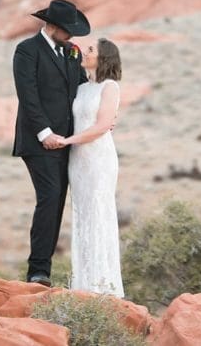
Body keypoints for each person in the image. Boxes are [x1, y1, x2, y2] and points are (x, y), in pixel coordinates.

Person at [12, 0, 90, 286]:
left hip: (68, 141)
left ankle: (44, 271)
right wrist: (45, 133)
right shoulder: (26, 50)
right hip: (37, 142)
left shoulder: (72, 52)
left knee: (57, 201)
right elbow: (27, 94)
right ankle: (37, 271)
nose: (72, 36)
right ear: (53, 26)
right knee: (49, 196)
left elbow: (81, 89)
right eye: (68, 30)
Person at [62, 38, 124, 296]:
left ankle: (103, 285)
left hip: (98, 159)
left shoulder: (110, 87)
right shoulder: (83, 87)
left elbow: (101, 127)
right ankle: (84, 283)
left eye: (91, 50)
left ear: (104, 57)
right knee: (83, 215)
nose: (85, 53)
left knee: (100, 214)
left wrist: (68, 141)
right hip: (78, 161)